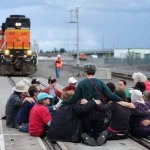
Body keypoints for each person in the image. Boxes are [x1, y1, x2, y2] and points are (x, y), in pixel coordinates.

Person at [62, 63, 122, 146]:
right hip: (100, 112)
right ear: (95, 72)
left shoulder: (82, 83)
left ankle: (88, 137)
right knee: (98, 131)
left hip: (87, 112)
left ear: (85, 72)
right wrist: (121, 99)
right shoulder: (100, 82)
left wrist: (63, 102)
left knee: (88, 131)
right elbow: (111, 95)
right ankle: (100, 136)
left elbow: (74, 99)